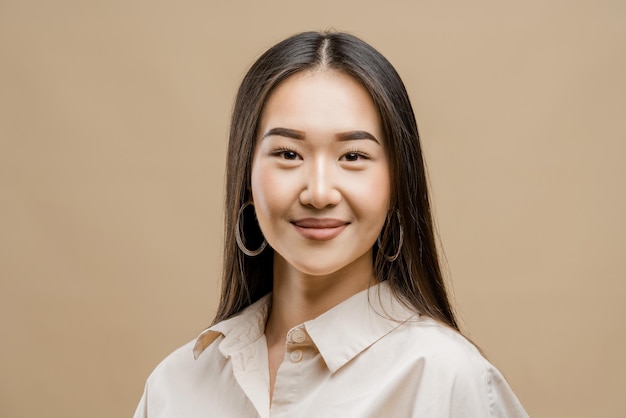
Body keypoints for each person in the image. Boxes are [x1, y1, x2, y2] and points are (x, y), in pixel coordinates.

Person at [133, 31, 529, 418]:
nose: (319, 193)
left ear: (397, 184)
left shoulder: (445, 380)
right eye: (288, 153)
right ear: (246, 179)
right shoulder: (175, 385)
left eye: (353, 156)